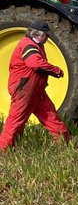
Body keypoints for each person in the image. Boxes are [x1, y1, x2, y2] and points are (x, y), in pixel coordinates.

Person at [0, 20, 70, 152]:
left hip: (35, 89)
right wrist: (55, 70)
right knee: (16, 119)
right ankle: (4, 149)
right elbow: (35, 64)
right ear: (38, 35)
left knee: (50, 115)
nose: (48, 37)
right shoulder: (28, 45)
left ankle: (66, 144)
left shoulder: (33, 44)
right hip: (25, 89)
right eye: (46, 35)